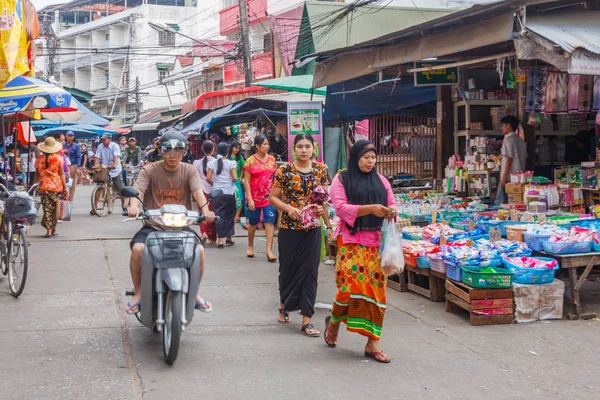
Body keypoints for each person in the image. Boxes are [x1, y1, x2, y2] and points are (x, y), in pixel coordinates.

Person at [125, 131, 215, 314]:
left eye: (178, 150)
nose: (173, 154)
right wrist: (133, 206)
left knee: (199, 251)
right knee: (138, 250)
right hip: (154, 225)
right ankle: (139, 292)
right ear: (161, 150)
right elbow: (138, 191)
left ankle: (194, 293)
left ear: (184, 152)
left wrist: (205, 210)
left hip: (181, 226)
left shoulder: (189, 170)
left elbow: (198, 191)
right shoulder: (149, 169)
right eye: (168, 150)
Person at [325, 140, 397, 363]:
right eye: (366, 157)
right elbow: (341, 208)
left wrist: (391, 210)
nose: (370, 161)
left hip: (376, 244)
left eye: (373, 157)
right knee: (349, 288)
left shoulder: (382, 181)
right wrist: (370, 209)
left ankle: (372, 342)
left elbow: (393, 204)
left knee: (376, 293)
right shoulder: (341, 179)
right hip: (351, 241)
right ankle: (334, 322)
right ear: (356, 157)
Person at [269, 133, 330, 337]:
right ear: (294, 149)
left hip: (312, 228)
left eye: (308, 146)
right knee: (288, 269)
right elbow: (273, 198)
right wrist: (287, 208)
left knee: (310, 271)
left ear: (314, 148)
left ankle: (307, 319)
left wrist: (327, 224)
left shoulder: (321, 170)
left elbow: (324, 200)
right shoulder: (284, 170)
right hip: (289, 228)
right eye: (300, 146)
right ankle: (284, 304)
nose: (304, 150)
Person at [243, 135, 278, 261]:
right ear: (257, 146)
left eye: (267, 144)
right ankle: (250, 245)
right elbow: (246, 181)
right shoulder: (250, 161)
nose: (266, 146)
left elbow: (275, 179)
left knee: (269, 222)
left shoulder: (272, 160)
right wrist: (250, 198)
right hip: (254, 197)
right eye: (263, 144)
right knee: (253, 222)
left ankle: (269, 250)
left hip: (269, 197)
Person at [34, 137, 67, 238]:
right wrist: (65, 187)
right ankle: (54, 230)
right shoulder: (58, 158)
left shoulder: (39, 159)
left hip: (44, 187)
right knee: (55, 209)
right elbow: (61, 174)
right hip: (56, 187)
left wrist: (34, 184)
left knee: (46, 209)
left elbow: (36, 174)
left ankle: (48, 231)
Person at [207, 142, 237, 248]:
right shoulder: (231, 163)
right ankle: (228, 238)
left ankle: (220, 240)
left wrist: (214, 184)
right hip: (229, 192)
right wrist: (230, 182)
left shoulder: (212, 164)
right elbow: (235, 177)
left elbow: (208, 178)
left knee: (219, 215)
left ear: (217, 151)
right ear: (227, 152)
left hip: (217, 193)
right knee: (229, 215)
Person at [495, 115, 527, 205]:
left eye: (503, 125)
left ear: (508, 125)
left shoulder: (508, 139)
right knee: (516, 203)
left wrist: (503, 177)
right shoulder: (520, 141)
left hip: (510, 177)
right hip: (520, 177)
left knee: (500, 203)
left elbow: (509, 158)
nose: (502, 128)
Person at [94, 133, 127, 215]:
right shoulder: (100, 146)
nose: (103, 141)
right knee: (99, 187)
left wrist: (115, 165)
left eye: (104, 139)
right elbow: (97, 157)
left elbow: (116, 156)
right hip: (105, 169)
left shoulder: (115, 146)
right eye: (102, 139)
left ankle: (124, 205)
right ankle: (94, 206)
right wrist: (95, 166)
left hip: (115, 170)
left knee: (120, 189)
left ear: (110, 139)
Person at [193, 140, 217, 245]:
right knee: (211, 213)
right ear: (213, 149)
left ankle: (203, 233)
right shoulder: (216, 162)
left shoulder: (196, 163)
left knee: (202, 213)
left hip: (201, 191)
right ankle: (211, 236)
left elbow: (194, 177)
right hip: (213, 191)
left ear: (202, 149)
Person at [228, 141, 245, 223]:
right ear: (232, 147)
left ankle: (237, 216)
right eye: (235, 148)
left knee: (239, 199)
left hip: (237, 181)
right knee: (230, 199)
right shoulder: (227, 158)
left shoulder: (240, 158)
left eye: (238, 148)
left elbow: (243, 167)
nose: (237, 150)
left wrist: (241, 177)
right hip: (228, 181)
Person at [63, 131, 81, 201]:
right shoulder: (63, 145)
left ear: (73, 137)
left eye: (71, 136)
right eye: (68, 136)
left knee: (72, 183)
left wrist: (78, 168)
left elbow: (78, 157)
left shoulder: (76, 146)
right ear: (66, 136)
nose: (69, 137)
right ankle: (64, 198)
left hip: (73, 165)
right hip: (64, 165)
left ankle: (70, 200)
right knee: (64, 181)